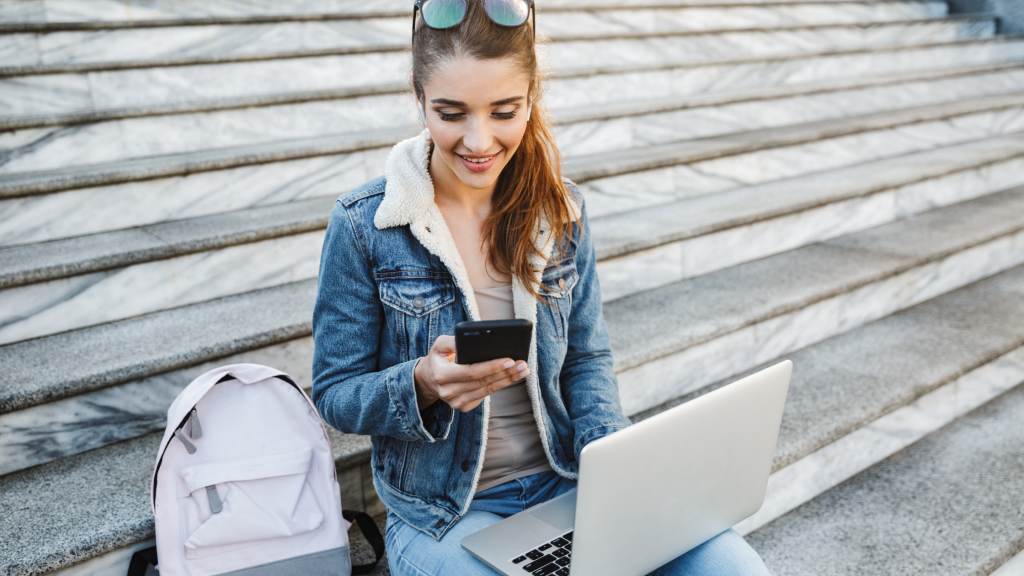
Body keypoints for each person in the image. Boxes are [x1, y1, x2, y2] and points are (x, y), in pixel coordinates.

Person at [311, 1, 773, 574]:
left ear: (532, 99)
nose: (479, 142)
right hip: (445, 514)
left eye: (504, 111)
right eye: (451, 113)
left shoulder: (561, 209)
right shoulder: (364, 225)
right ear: (418, 97)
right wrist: (422, 383)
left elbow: (586, 356)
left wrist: (616, 460)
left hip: (568, 487)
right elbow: (334, 391)